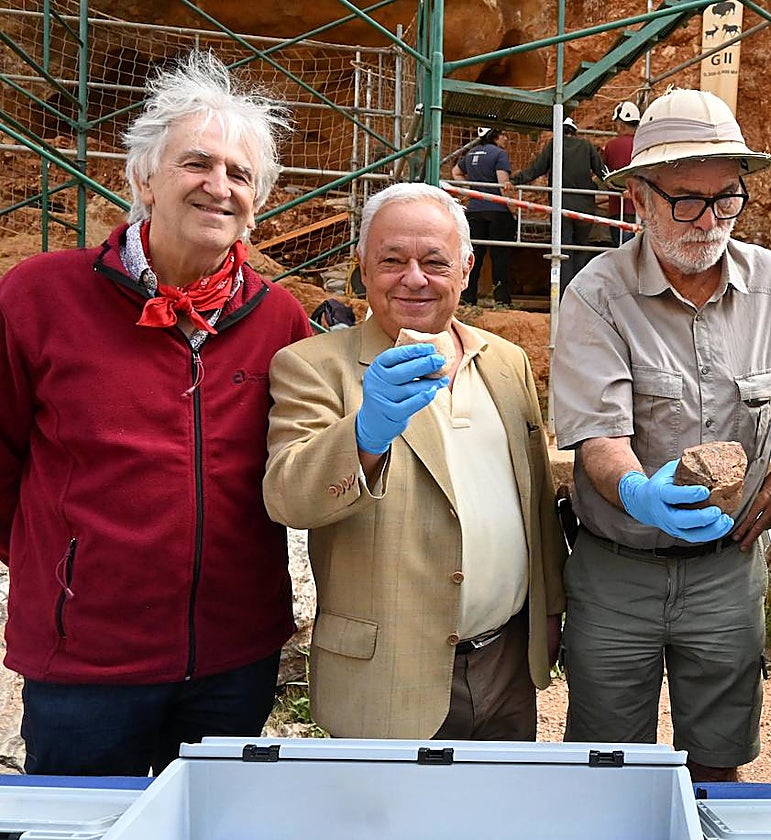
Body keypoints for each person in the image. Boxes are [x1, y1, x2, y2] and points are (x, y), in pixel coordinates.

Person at [0, 51, 311, 776]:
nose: (219, 186)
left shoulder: (279, 318)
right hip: (87, 665)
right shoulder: (41, 297)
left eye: (240, 174)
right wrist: (67, 574)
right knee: (85, 827)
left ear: (256, 201)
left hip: (235, 658)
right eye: (196, 163)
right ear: (142, 179)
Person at [552, 88, 771, 783]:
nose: (709, 220)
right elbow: (597, 436)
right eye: (685, 200)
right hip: (618, 569)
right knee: (608, 764)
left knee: (719, 757)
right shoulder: (596, 294)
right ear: (638, 198)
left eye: (726, 198)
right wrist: (638, 490)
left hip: (725, 571)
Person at [263, 182, 565, 740]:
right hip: (387, 672)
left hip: (506, 661)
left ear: (468, 266)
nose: (415, 278)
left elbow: (536, 499)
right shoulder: (313, 366)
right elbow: (287, 496)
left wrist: (548, 610)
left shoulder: (506, 361)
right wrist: (364, 435)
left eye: (434, 261)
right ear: (361, 266)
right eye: (392, 260)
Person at [508, 117, 607, 291]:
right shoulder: (586, 146)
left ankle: (564, 296)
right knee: (581, 249)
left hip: (561, 206)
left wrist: (516, 180)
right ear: (574, 132)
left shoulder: (555, 144)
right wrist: (621, 186)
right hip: (585, 207)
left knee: (563, 252)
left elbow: (536, 168)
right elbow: (602, 172)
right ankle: (582, 294)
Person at [452, 127, 515, 306]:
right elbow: (503, 184)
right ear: (495, 137)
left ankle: (467, 298)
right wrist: (512, 208)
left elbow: (456, 172)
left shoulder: (471, 153)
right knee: (500, 256)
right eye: (504, 135)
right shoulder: (499, 154)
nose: (506, 138)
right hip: (498, 211)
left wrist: (471, 190)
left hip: (475, 210)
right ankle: (502, 300)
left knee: (474, 256)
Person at [603, 101, 640, 246]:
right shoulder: (643, 144)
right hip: (642, 208)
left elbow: (604, 174)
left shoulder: (612, 146)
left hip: (619, 208)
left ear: (621, 124)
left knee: (621, 251)